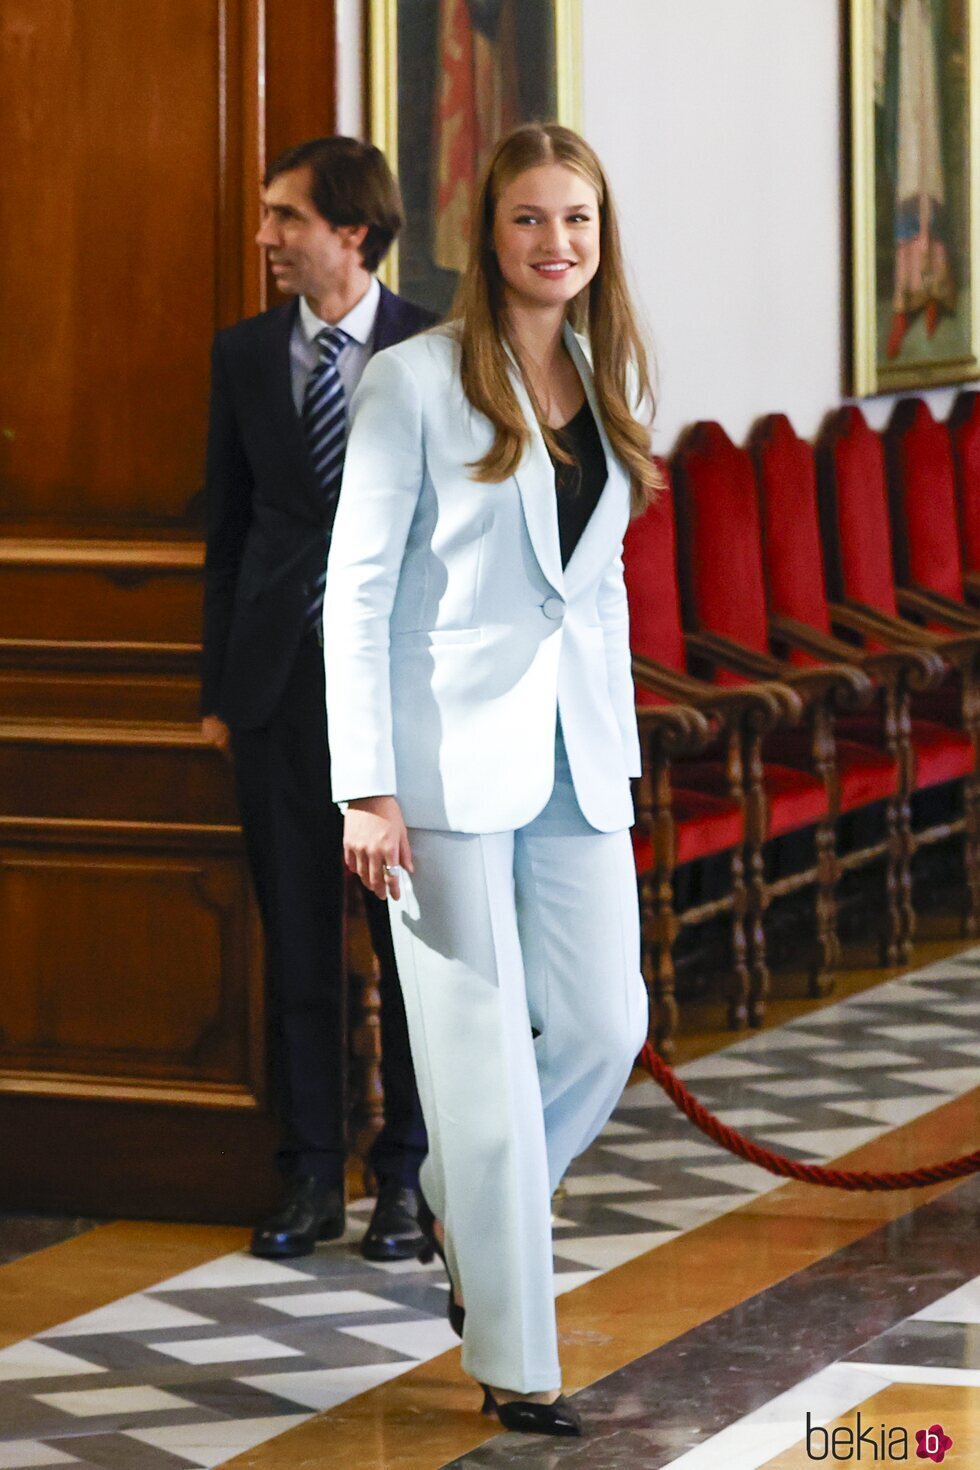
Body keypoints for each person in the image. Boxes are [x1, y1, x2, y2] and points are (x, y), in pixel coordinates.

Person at [323, 123, 655, 1436]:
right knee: (478, 1070)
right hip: (443, 767)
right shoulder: (411, 382)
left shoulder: (609, 365)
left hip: (579, 757)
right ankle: (520, 1361)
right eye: (530, 219)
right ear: (488, 233)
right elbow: (353, 587)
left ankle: (465, 1208)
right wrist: (367, 783)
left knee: (602, 1025)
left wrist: (620, 738)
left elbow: (602, 579)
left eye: (576, 219)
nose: (555, 242)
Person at [200, 136, 436, 1263]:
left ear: (350, 230)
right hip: (278, 692)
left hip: (399, 701)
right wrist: (218, 689)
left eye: (282, 217)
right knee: (295, 943)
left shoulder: (433, 344)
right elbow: (229, 531)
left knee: (409, 956)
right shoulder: (244, 354)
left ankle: (407, 1178)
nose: (264, 238)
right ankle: (308, 1178)